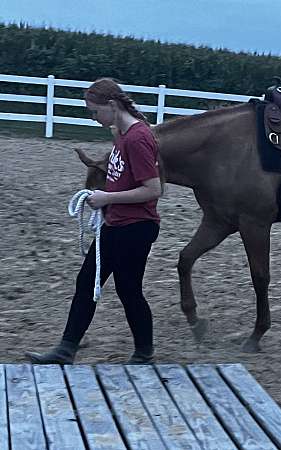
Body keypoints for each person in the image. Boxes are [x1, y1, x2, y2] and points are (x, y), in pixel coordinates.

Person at [25, 78, 162, 364]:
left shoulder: (137, 138)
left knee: (128, 289)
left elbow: (153, 189)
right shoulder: (123, 133)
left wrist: (107, 199)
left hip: (136, 227)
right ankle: (66, 349)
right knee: (88, 282)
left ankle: (144, 351)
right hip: (116, 223)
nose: (93, 117)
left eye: (95, 111)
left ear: (112, 105)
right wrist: (104, 197)